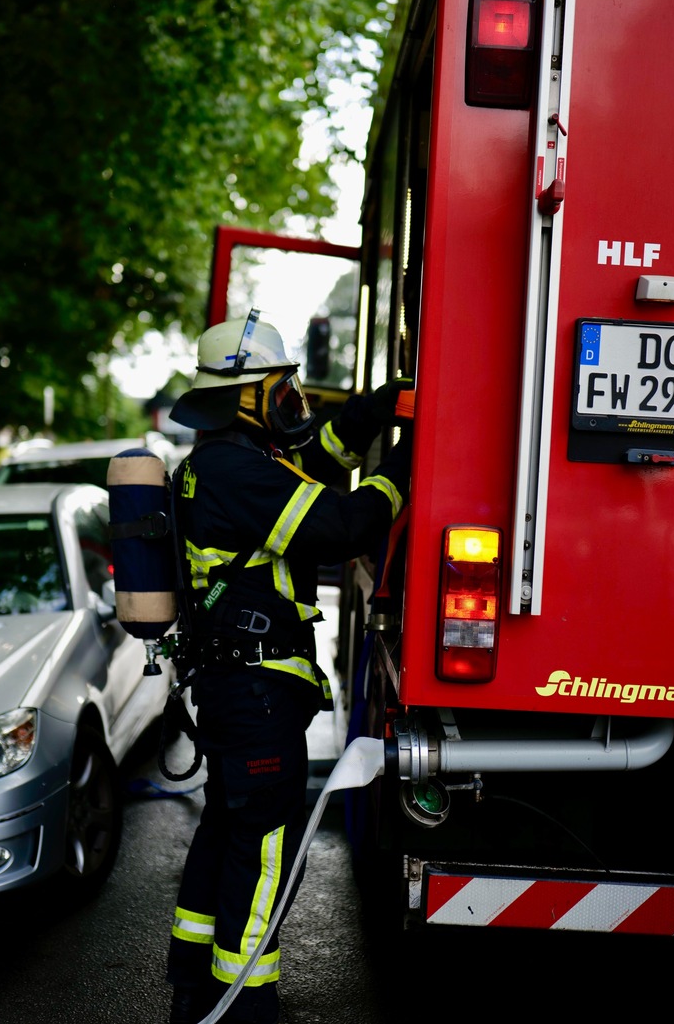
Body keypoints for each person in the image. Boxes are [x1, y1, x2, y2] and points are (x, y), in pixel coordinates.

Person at [165, 312, 412, 1024]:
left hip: (238, 689)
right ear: (244, 395)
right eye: (279, 391)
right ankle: (243, 1002)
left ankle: (194, 983)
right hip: (256, 693)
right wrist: (410, 461)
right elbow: (343, 524)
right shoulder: (236, 471)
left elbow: (315, 465)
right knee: (264, 849)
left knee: (227, 829)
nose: (290, 403)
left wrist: (373, 410)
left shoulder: (223, 462)